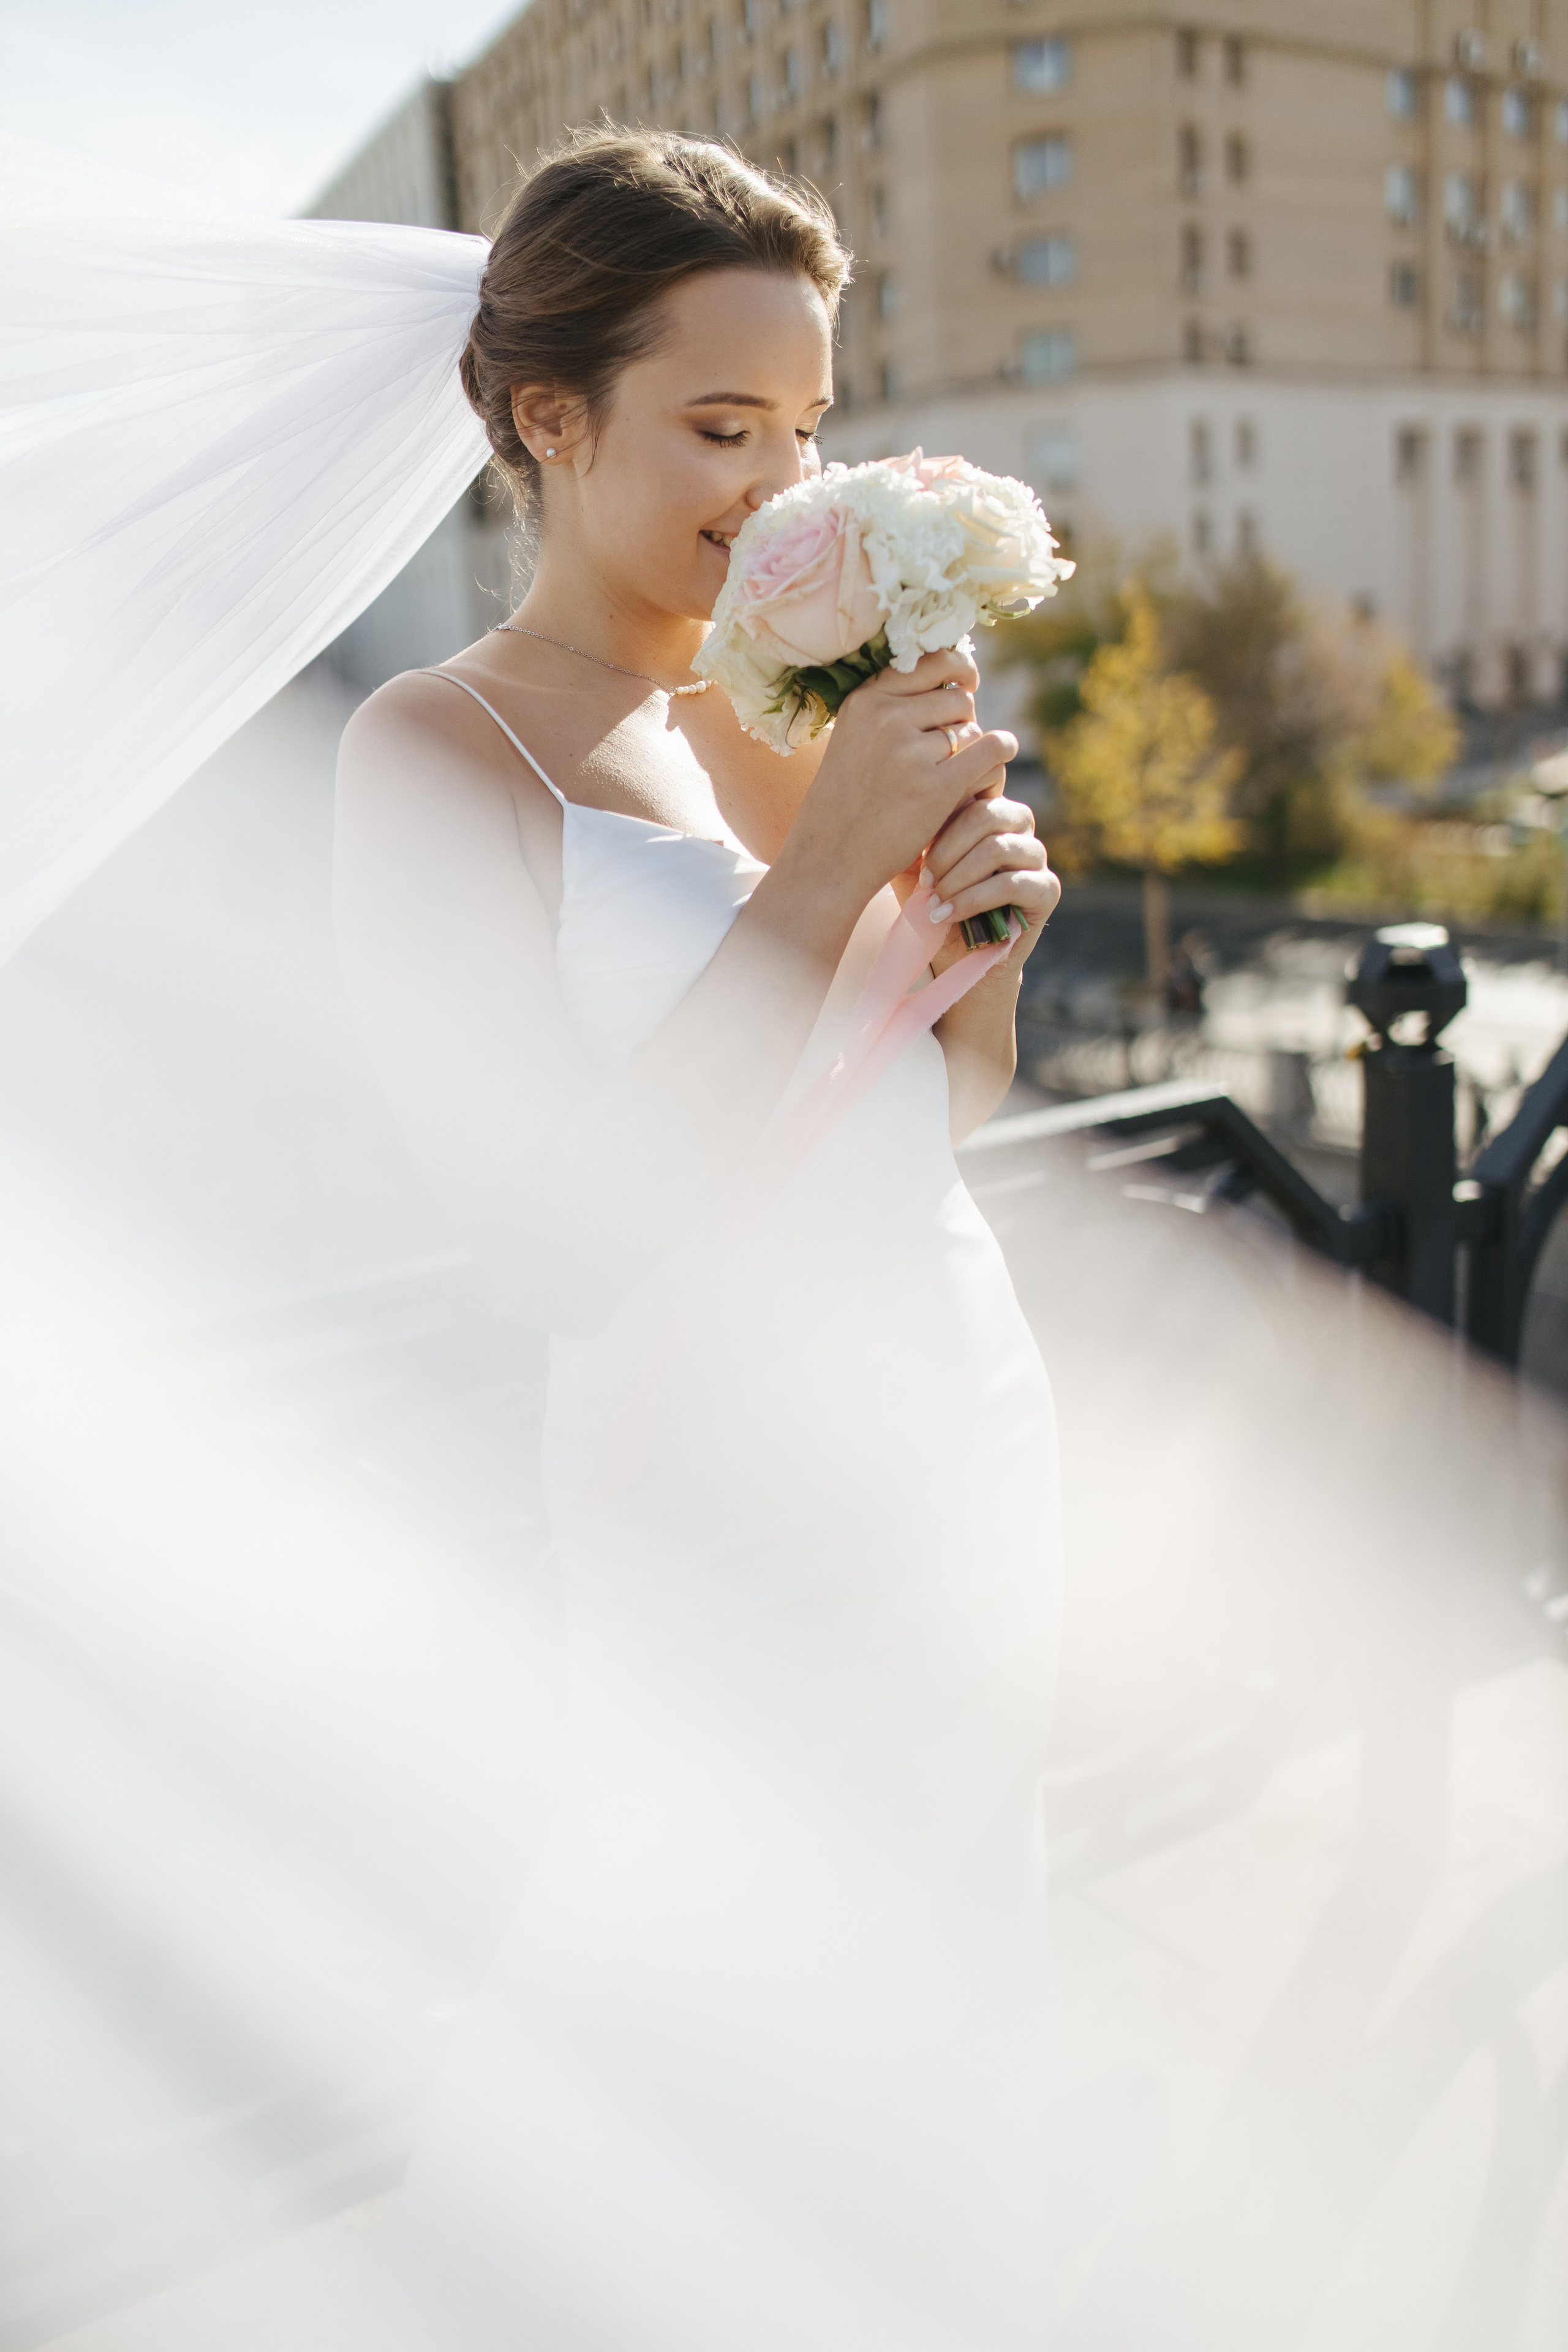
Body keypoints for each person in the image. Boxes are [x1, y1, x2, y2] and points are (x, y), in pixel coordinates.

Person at [332, 129, 1063, 2348]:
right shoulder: (432, 752)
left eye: (810, 427)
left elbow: (928, 1124)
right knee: (698, 2054)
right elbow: (555, 1238)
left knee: (940, 2035)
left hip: (947, 1425)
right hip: (718, 1514)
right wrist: (827, 877)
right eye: (721, 428)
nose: (781, 487)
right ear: (549, 420)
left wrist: (984, 950)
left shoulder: (783, 717)